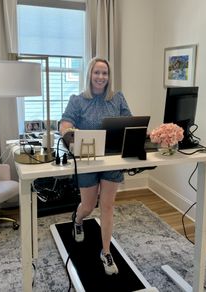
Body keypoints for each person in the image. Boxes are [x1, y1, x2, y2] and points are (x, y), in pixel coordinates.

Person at [60, 57, 132, 275]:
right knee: (89, 205)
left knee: (107, 206)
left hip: (111, 159)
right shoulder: (78, 100)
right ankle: (78, 219)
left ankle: (106, 252)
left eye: (105, 73)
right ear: (89, 75)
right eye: (97, 73)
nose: (101, 77)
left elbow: (130, 122)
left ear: (109, 77)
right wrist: (69, 134)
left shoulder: (117, 98)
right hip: (88, 159)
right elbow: (64, 122)